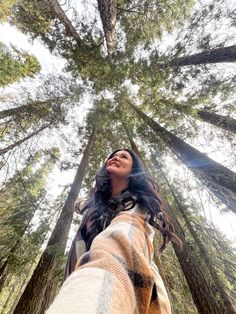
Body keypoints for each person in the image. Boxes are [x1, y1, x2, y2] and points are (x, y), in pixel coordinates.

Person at [46, 149, 180, 314]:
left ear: (134, 171)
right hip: (78, 279)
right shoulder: (94, 204)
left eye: (124, 157)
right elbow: (81, 204)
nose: (116, 157)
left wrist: (91, 292)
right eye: (112, 156)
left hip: (134, 291)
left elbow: (122, 242)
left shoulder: (137, 206)